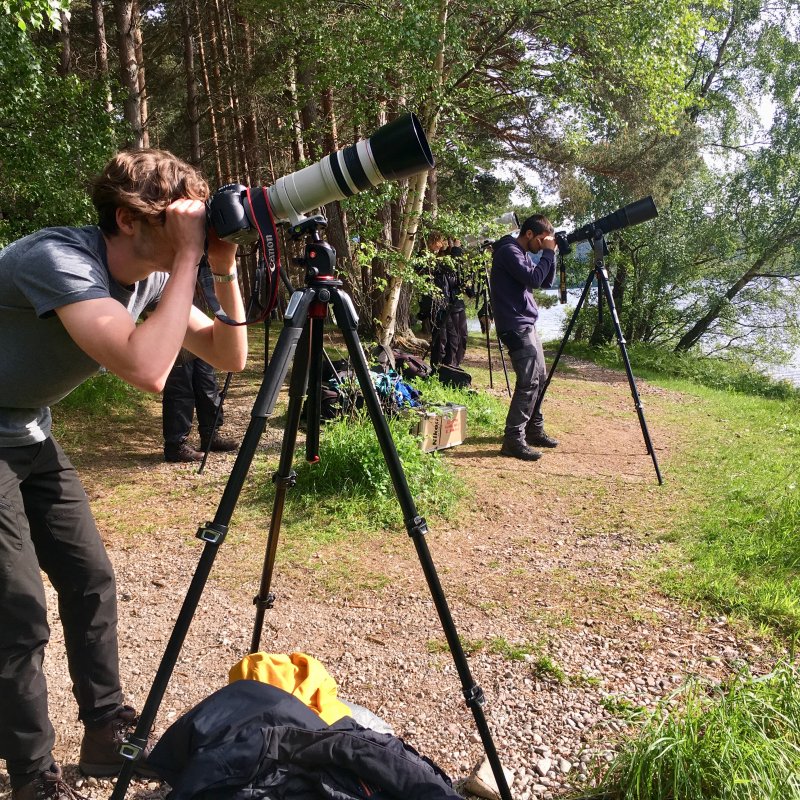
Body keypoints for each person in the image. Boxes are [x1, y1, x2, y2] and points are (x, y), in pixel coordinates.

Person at [0, 148, 247, 800]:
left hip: (25, 426)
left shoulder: (156, 272)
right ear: (128, 220)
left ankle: (106, 734)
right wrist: (192, 257)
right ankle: (33, 778)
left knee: (90, 580)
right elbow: (147, 369)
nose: (188, 230)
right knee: (18, 612)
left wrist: (220, 268)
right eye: (177, 220)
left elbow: (229, 354)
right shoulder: (56, 259)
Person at [490, 214, 559, 461]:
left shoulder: (523, 254)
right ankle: (513, 440)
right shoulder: (509, 251)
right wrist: (547, 254)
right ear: (528, 234)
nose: (543, 245)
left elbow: (544, 280)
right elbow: (533, 278)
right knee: (528, 381)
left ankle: (533, 429)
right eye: (541, 240)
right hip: (515, 325)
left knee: (539, 379)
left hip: (526, 324)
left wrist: (553, 254)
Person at [162, 348, 239, 463]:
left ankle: (210, 436)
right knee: (180, 391)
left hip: (200, 338)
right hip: (177, 339)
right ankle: (175, 447)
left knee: (207, 386)